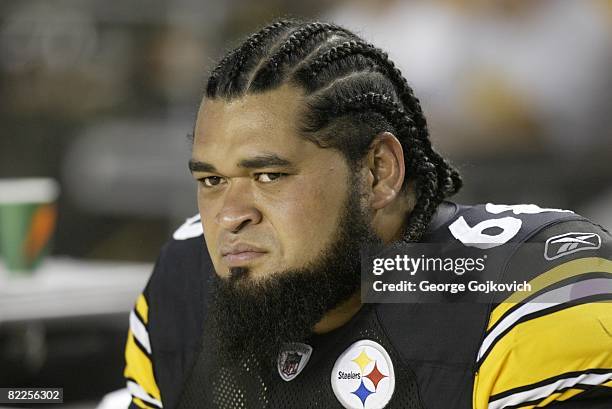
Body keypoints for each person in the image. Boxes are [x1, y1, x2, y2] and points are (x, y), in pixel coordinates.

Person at [122, 19, 612, 409]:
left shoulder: (521, 289)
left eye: (269, 176)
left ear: (378, 173)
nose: (230, 216)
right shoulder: (184, 282)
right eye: (211, 181)